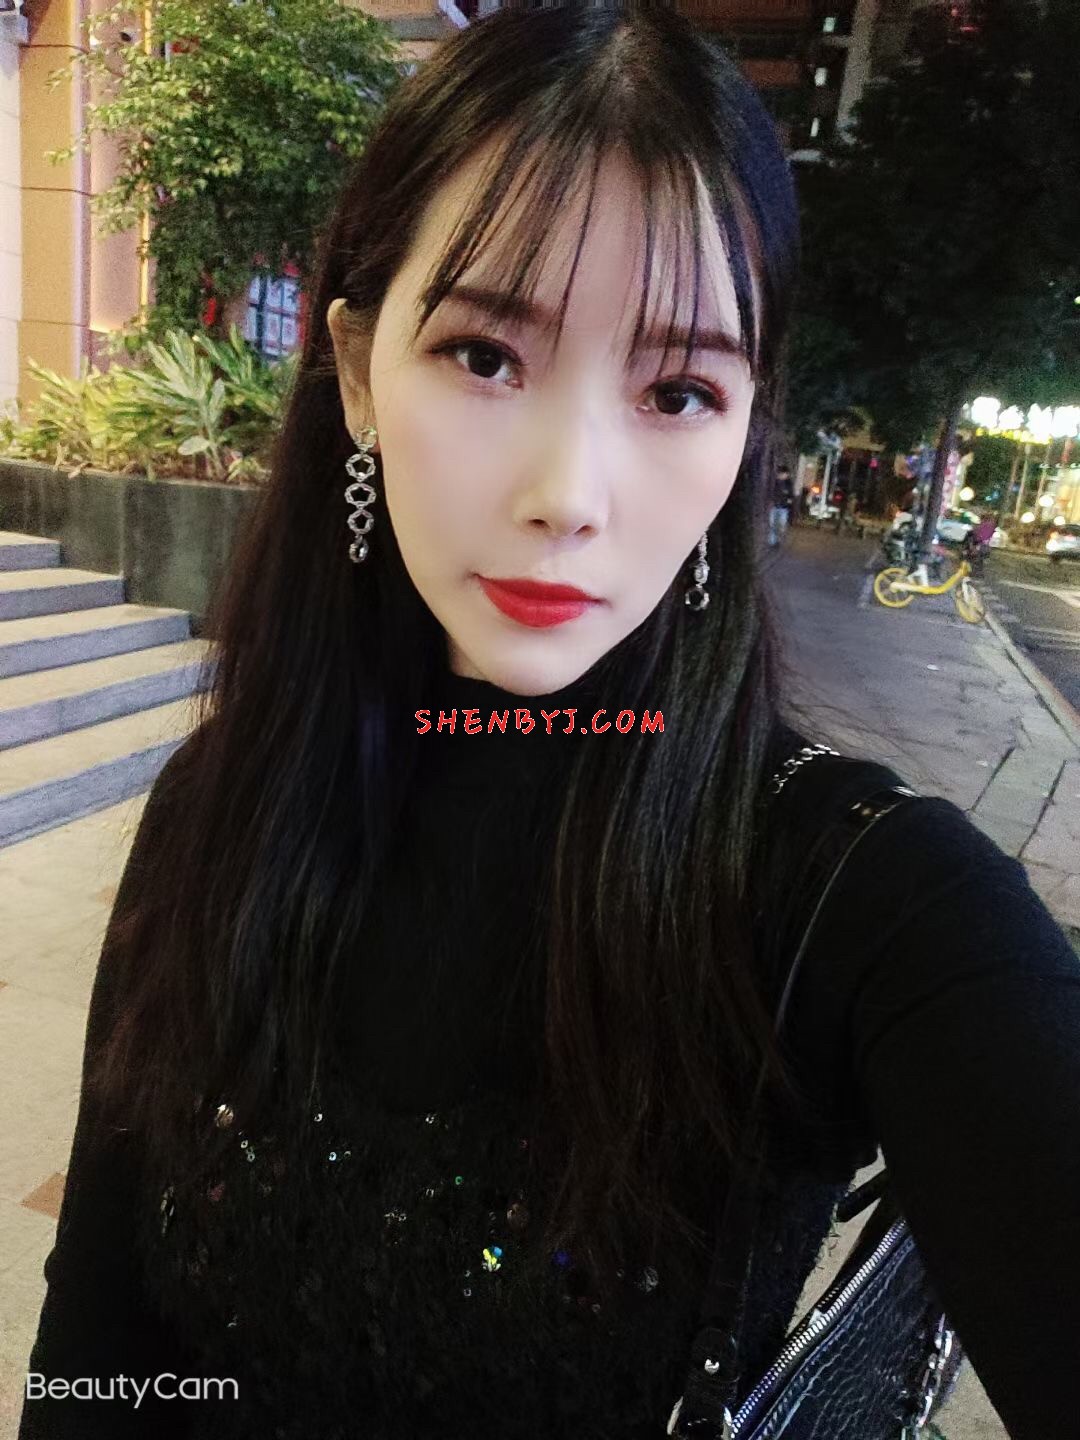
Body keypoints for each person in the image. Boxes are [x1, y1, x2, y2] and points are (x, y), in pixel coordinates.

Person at [19, 6, 1080, 1440]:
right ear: (357, 369)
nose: (568, 493)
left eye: (678, 389)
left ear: (744, 431)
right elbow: (100, 1349)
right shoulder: (221, 806)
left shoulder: (858, 899)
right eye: (485, 356)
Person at [769, 464, 794, 547]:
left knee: (781, 525)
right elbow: (771, 492)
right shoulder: (775, 482)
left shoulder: (789, 483)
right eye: (781, 474)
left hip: (784, 508)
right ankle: (772, 542)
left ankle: (778, 540)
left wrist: (789, 501)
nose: (782, 475)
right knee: (772, 525)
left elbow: (791, 495)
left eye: (784, 474)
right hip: (775, 506)